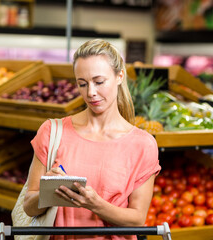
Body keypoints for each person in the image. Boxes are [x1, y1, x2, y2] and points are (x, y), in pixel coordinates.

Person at [23, 39, 161, 240]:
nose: (91, 93)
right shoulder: (52, 131)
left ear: (119, 76)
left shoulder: (142, 144)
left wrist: (95, 204)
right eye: (82, 84)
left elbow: (137, 220)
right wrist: (48, 191)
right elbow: (28, 207)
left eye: (99, 82)